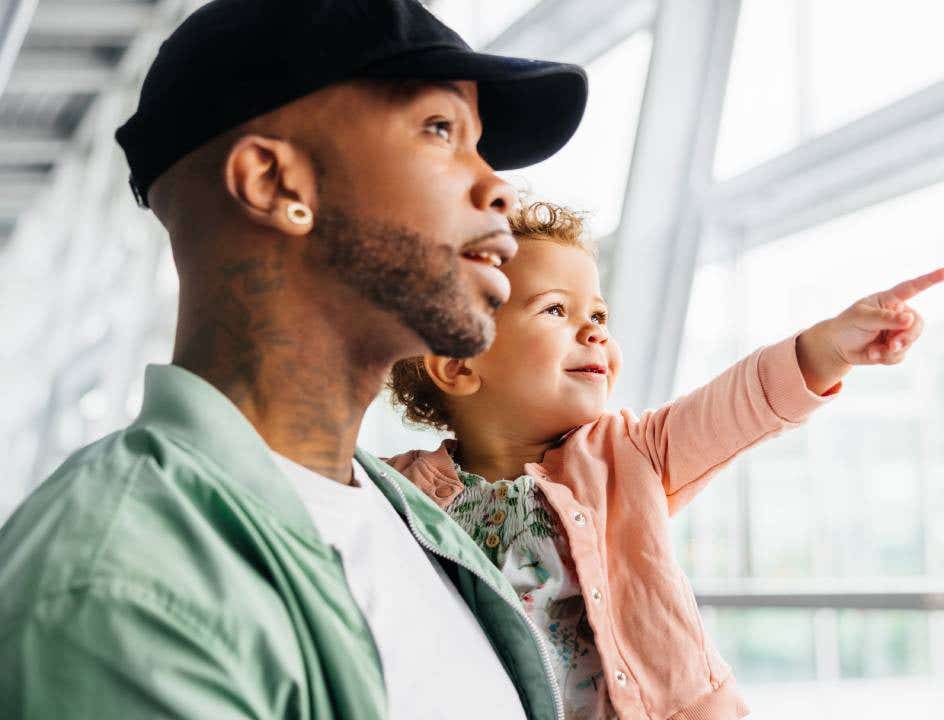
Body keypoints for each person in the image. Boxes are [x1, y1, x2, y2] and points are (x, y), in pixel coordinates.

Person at [0, 2, 588, 718]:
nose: (497, 184)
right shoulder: (124, 591)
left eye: (481, 143)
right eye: (441, 130)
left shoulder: (410, 522)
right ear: (274, 185)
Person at [384, 201, 944, 719]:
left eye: (600, 316)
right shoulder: (396, 494)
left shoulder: (631, 452)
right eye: (556, 309)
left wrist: (829, 347)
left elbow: (742, 406)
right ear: (458, 365)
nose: (593, 331)